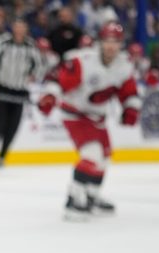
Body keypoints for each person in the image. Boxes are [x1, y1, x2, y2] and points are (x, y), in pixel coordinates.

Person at [37, 22, 140, 220]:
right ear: (100, 42)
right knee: (91, 155)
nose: (111, 46)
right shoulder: (83, 60)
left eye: (116, 42)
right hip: (75, 114)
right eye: (107, 41)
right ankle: (73, 199)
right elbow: (59, 80)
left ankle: (92, 196)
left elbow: (129, 91)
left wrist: (131, 108)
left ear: (121, 44)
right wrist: (50, 96)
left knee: (105, 157)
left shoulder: (124, 65)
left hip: (97, 117)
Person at [0, 19, 42, 169]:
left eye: (22, 27)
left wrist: (35, 76)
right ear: (13, 28)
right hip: (1, 88)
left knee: (13, 125)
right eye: (17, 26)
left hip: (20, 91)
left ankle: (2, 157)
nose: (19, 30)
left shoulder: (31, 45)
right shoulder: (2, 42)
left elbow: (40, 65)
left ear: (26, 29)